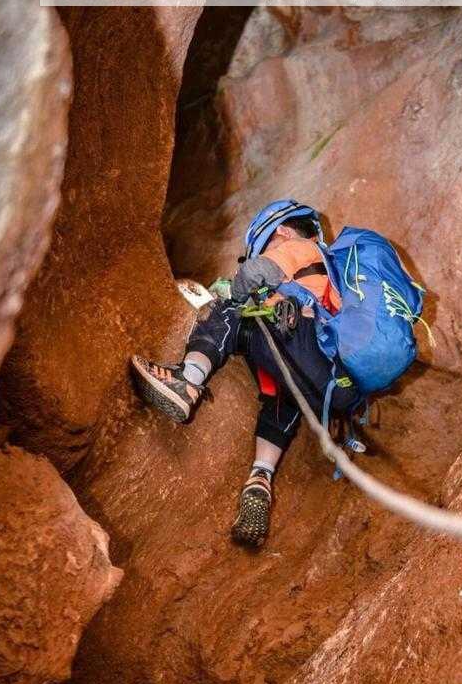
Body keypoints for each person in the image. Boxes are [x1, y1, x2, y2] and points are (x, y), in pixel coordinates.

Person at [130, 200, 362, 549]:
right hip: (334, 386)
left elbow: (252, 276)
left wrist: (233, 291)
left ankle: (188, 379)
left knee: (235, 310)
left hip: (301, 343)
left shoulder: (301, 247)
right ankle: (261, 475)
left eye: (264, 245)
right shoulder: (331, 275)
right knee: (281, 390)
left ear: (282, 232)